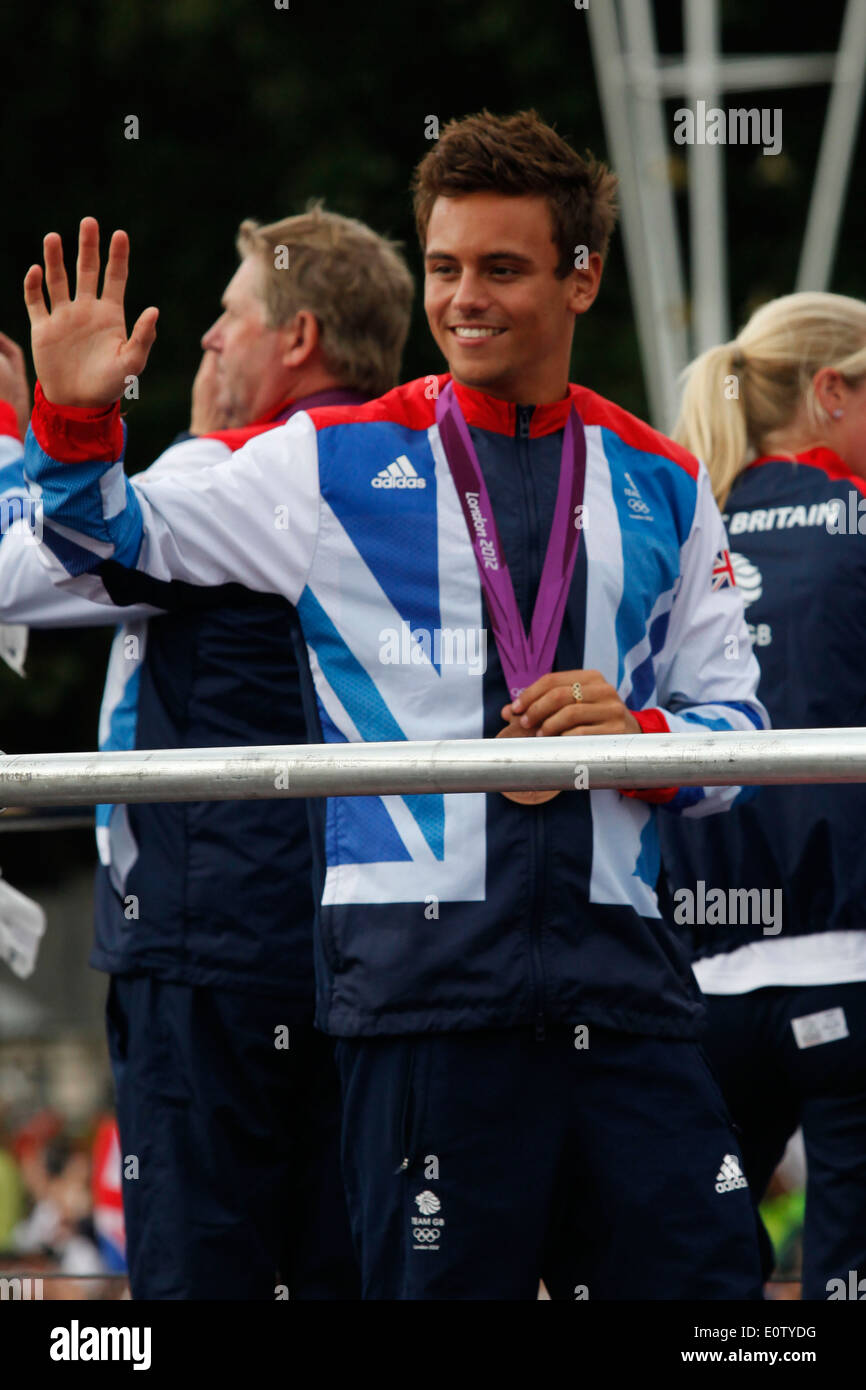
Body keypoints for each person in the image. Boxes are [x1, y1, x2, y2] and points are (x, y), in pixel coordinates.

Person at [22, 110, 768, 1301]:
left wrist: (647, 741)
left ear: (582, 279)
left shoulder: (663, 482)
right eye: (443, 267)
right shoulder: (326, 457)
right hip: (420, 1013)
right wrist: (74, 426)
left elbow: (743, 740)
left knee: (724, 1306)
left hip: (627, 999)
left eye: (502, 268)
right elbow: (105, 548)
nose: (464, 297)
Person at [1, 204, 413, 1299]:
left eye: (229, 319)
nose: (203, 340)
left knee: (194, 1273)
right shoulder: (409, 470)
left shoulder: (234, 474)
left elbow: (31, 571)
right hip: (371, 950)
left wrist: (27, 446)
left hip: (206, 946)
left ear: (299, 337)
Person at [657, 291, 866, 1301]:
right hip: (851, 971)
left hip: (694, 992)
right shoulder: (857, 524)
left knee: (701, 1286)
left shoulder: (679, 535)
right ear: (830, 391)